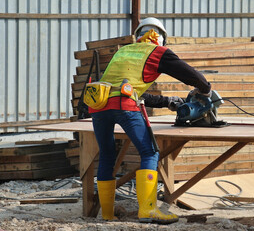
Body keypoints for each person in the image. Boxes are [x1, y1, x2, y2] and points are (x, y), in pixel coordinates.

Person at [89, 17, 212, 224]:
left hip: (98, 105)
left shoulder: (123, 51)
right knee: (150, 152)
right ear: (161, 38)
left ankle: (107, 214)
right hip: (123, 105)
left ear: (138, 36)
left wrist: (166, 102)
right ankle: (148, 210)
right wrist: (206, 89)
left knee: (108, 156)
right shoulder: (158, 52)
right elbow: (189, 74)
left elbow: (133, 91)